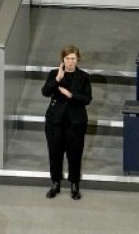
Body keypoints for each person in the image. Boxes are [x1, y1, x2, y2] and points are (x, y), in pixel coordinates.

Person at [42, 44, 92, 201]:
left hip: (75, 122)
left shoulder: (84, 76)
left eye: (73, 59)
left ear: (78, 60)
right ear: (62, 59)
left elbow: (87, 99)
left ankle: (74, 184)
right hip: (55, 121)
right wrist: (57, 80)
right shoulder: (54, 74)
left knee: (75, 155)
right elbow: (45, 92)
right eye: (67, 59)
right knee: (55, 154)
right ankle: (55, 183)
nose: (70, 62)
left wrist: (70, 95)